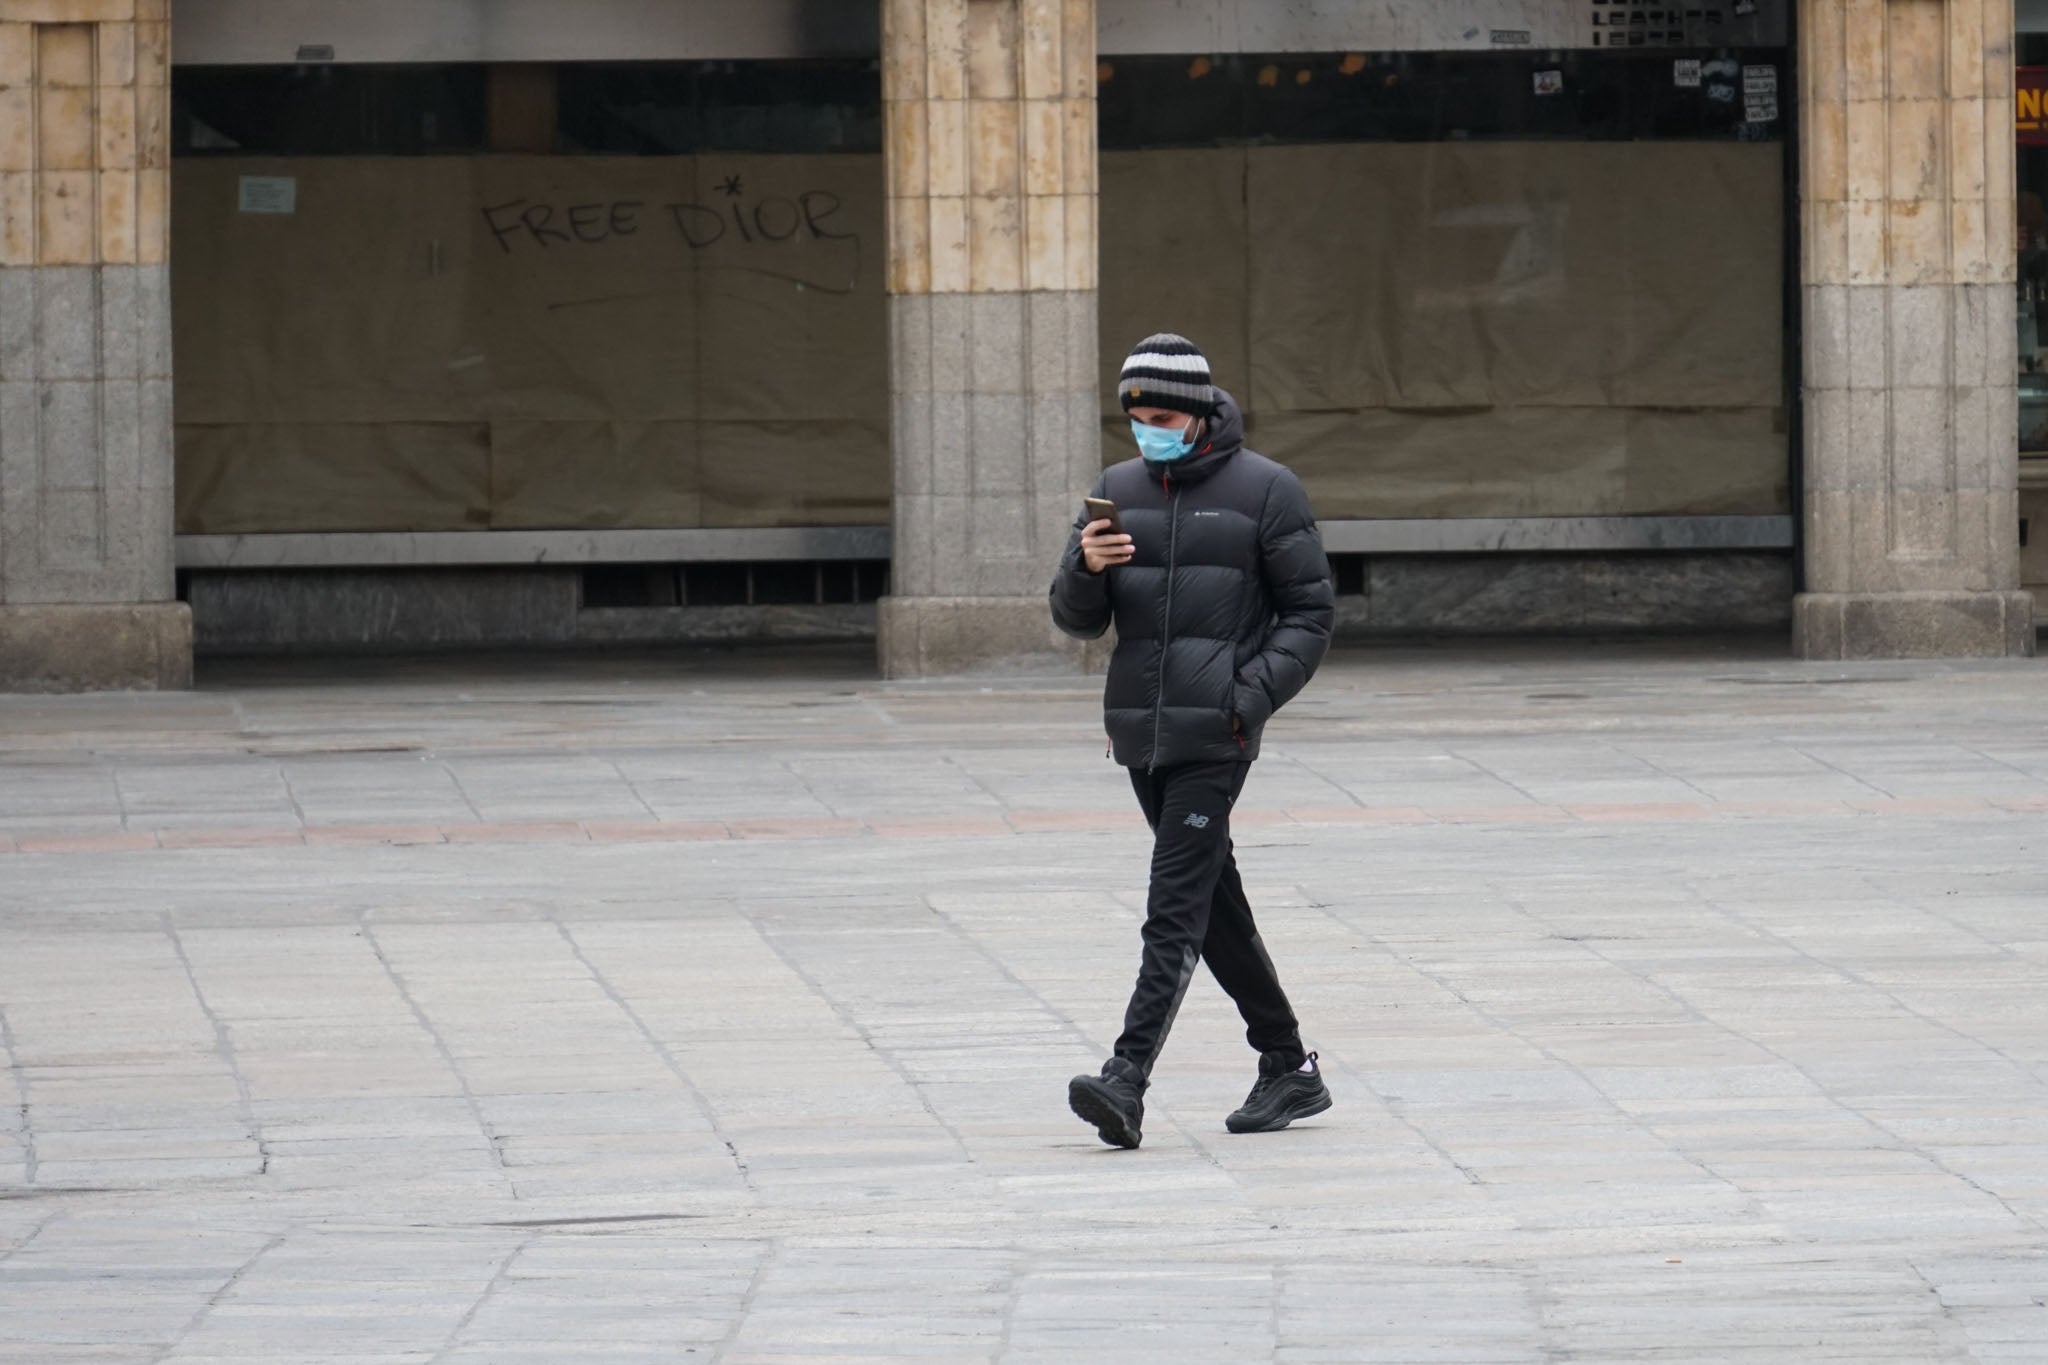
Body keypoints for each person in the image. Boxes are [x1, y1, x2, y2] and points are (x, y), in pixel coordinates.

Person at [1049, 332, 1336, 1149]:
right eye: (1135, 417)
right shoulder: (1116, 489)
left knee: (1172, 907)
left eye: (1163, 415)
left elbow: (1310, 614)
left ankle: (1126, 1077)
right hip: (1142, 735)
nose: (1148, 431)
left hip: (1217, 734)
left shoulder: (1267, 490)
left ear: (1203, 411)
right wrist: (1085, 565)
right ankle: (1288, 1065)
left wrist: (1245, 700)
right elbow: (1076, 618)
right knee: (1212, 904)